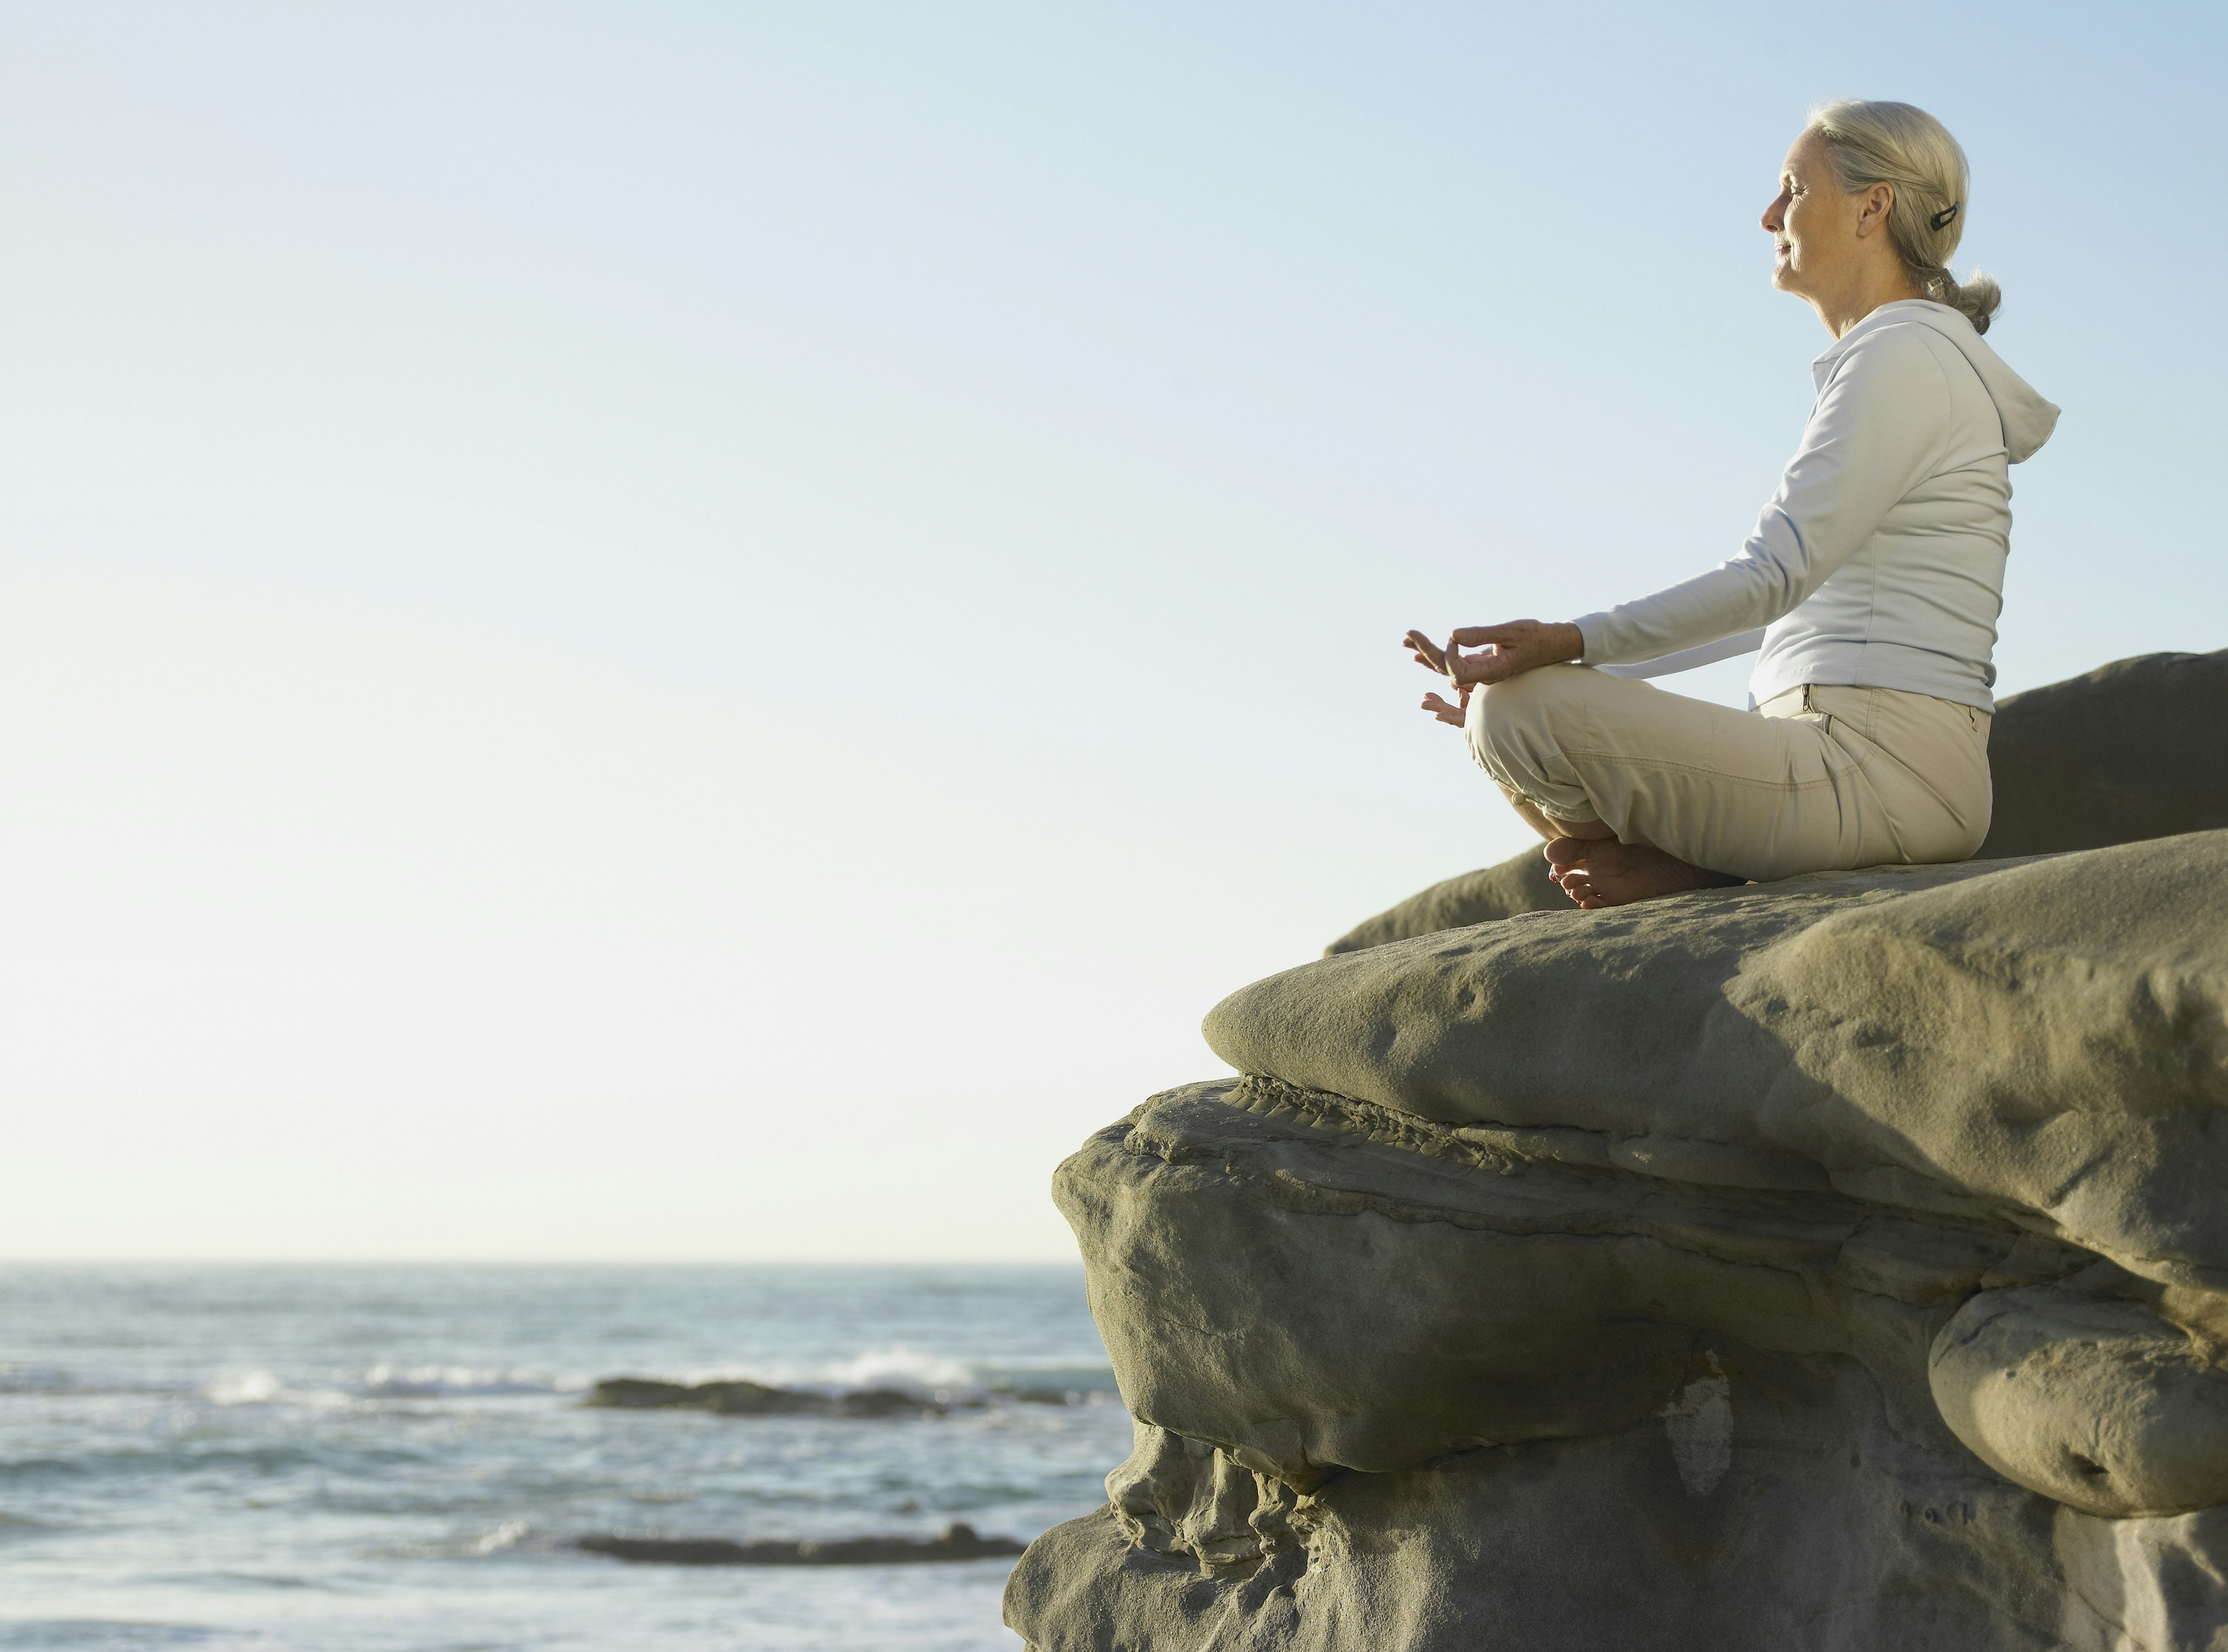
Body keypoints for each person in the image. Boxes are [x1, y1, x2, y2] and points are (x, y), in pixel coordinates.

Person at [1405, 99, 2059, 910]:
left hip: (1881, 766)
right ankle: (1684, 870)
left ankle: (1684, 873)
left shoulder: (1903, 355)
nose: (1768, 215)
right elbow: (1776, 611)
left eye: (1792, 188)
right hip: (1858, 760)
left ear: (1873, 205)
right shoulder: (1898, 357)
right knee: (1506, 714)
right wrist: (1566, 661)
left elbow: (1770, 579)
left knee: (1517, 718)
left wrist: (1564, 642)